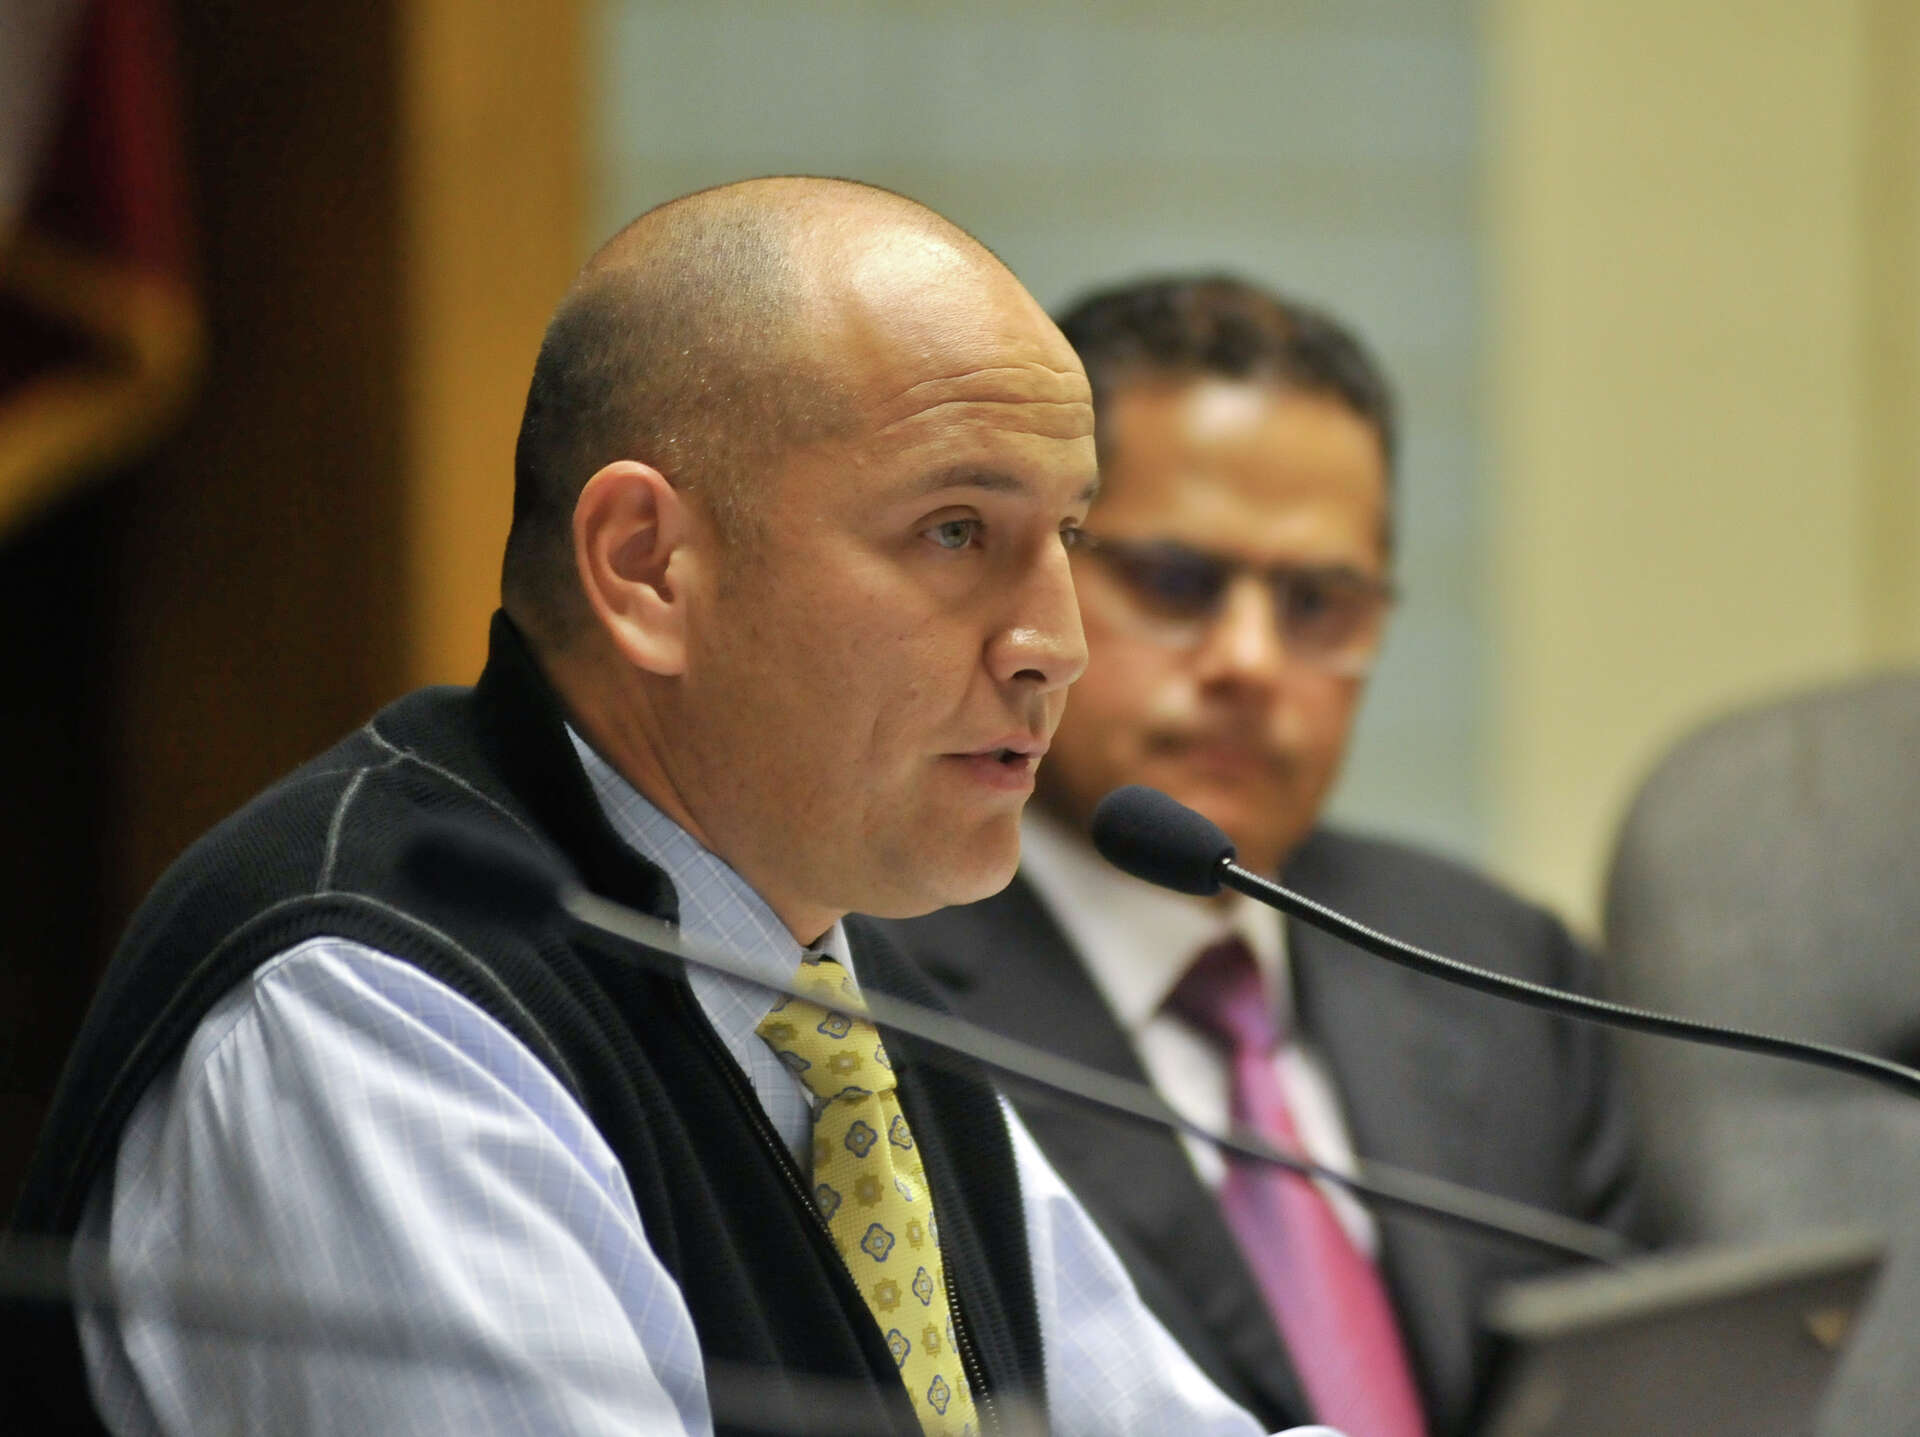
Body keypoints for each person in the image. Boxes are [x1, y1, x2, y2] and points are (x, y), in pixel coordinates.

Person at [4, 186, 1340, 1436]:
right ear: (648, 567)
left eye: (1071, 539)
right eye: (955, 531)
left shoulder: (836, 1000)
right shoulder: (371, 1013)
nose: (1057, 644)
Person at [876, 275, 1640, 1437]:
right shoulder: (871, 979)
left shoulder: (1499, 965)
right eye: (1177, 584)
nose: (1250, 661)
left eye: (1319, 603)